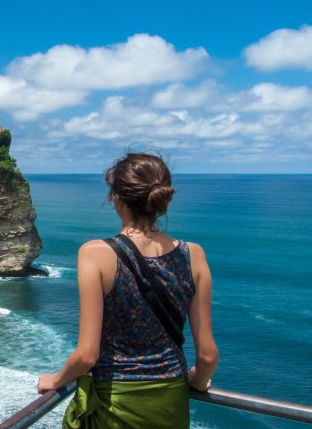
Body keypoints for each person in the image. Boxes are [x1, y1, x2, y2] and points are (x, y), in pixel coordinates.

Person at [37, 153, 218, 428]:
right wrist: (199, 382)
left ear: (116, 198)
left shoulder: (95, 253)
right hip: (170, 404)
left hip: (116, 403)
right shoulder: (194, 255)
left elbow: (87, 355)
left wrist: (56, 380)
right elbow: (207, 356)